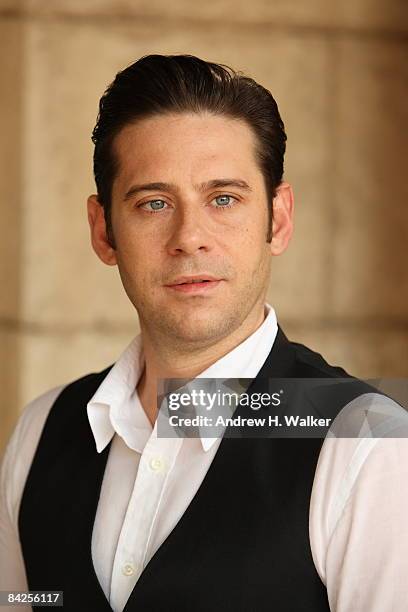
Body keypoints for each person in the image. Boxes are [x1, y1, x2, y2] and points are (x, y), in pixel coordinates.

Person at [0, 54, 407, 612]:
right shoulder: (40, 431)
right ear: (103, 231)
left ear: (278, 219)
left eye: (223, 199)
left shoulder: (367, 445)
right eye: (154, 203)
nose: (190, 237)